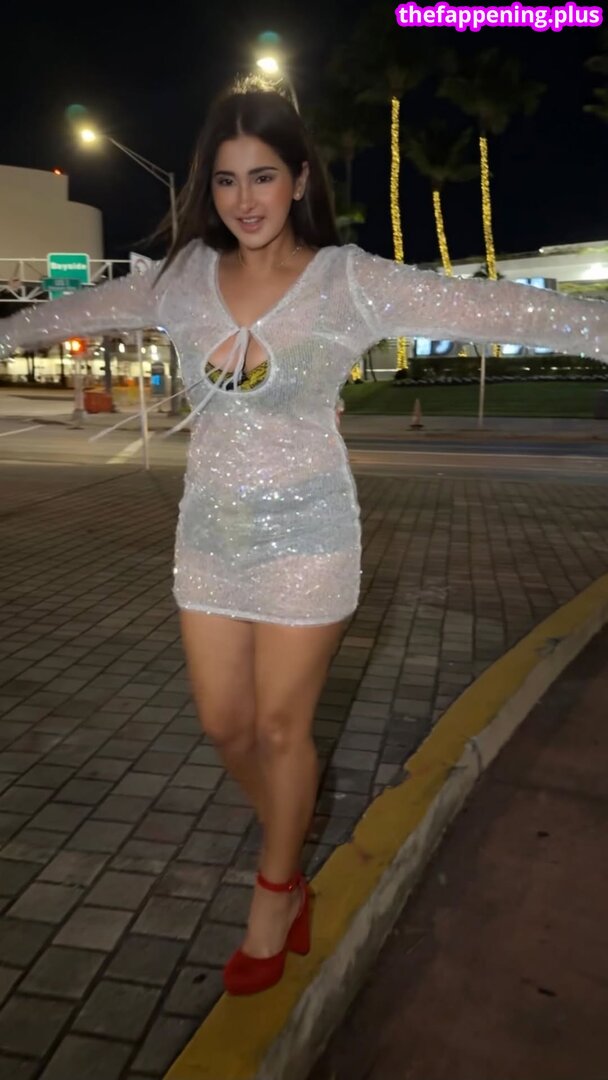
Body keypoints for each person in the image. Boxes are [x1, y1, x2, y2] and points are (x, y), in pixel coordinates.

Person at [2, 84, 608, 997]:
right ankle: (292, 825)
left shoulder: (348, 281)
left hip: (310, 535)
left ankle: (277, 889)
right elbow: (63, 315)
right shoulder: (180, 280)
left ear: (299, 180)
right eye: (226, 181)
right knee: (225, 724)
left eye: (263, 177)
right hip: (210, 535)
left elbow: (498, 309)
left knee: (284, 726)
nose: (244, 199)